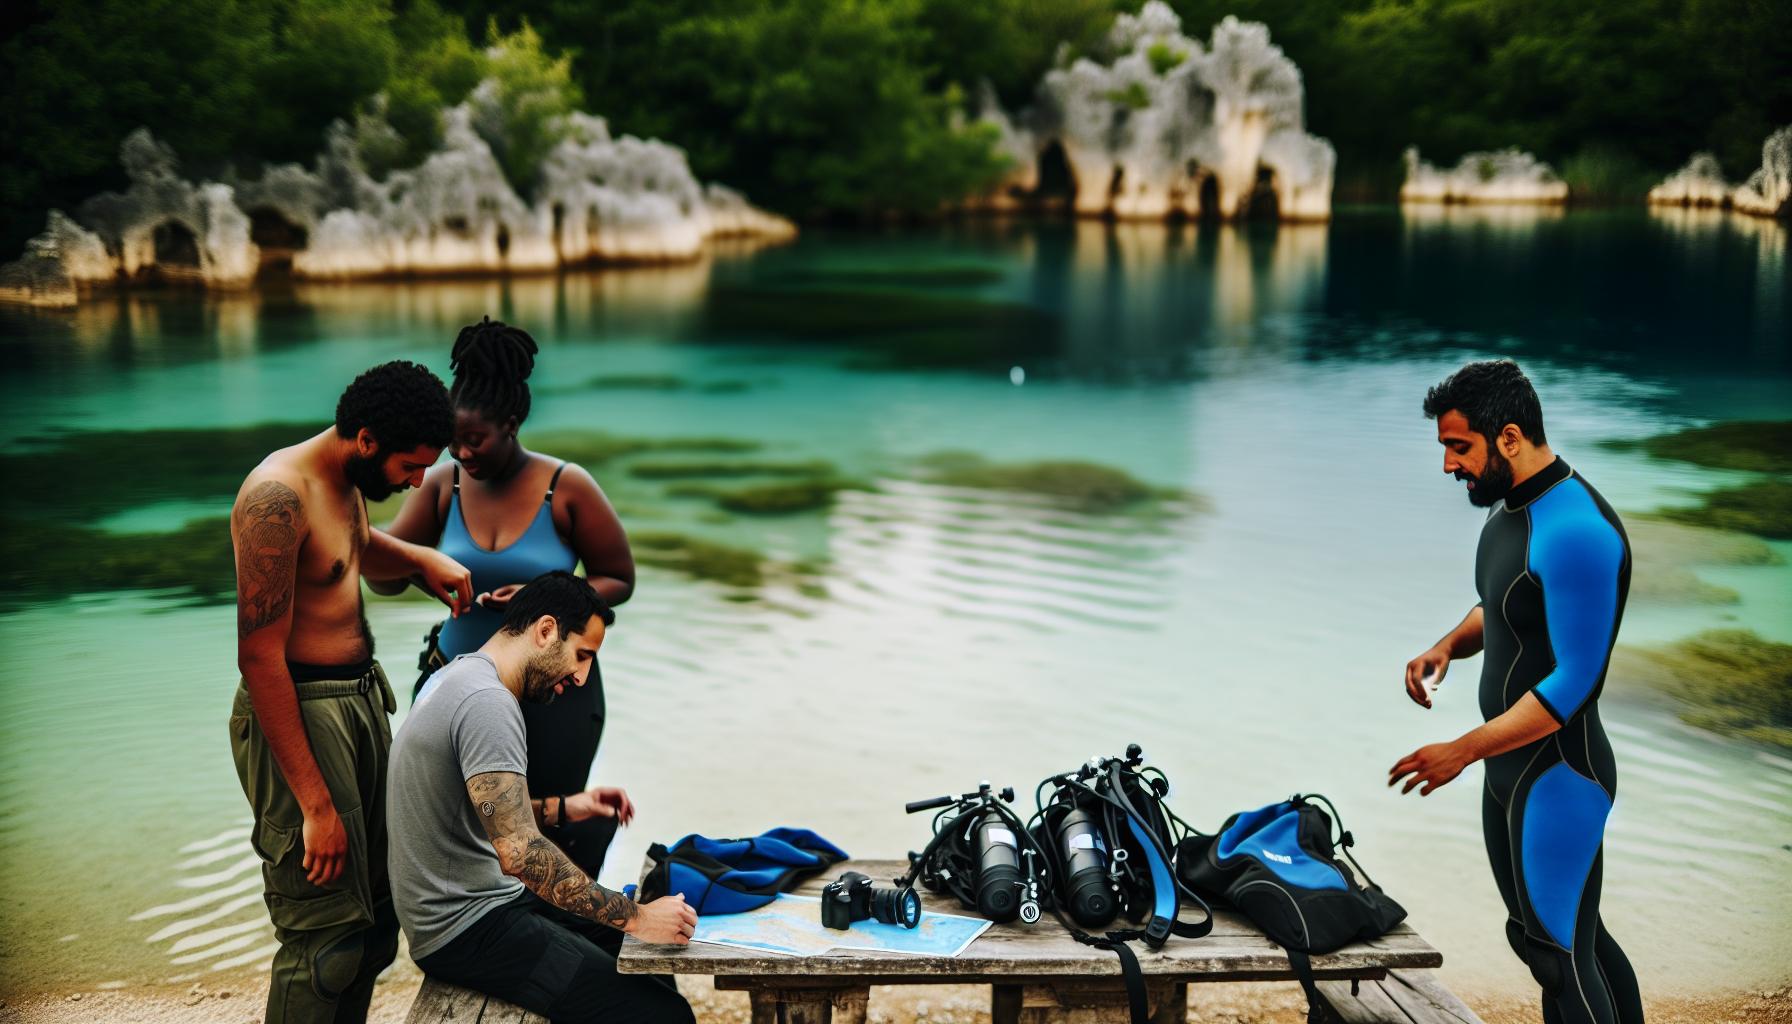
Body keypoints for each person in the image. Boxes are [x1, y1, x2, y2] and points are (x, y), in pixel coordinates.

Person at [1389, 360, 1644, 1024]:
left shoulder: (1578, 532)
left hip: (1560, 773)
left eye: (1458, 447)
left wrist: (1461, 750)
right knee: (1565, 941)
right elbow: (1503, 610)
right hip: (1510, 769)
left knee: (1558, 958)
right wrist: (1447, 644)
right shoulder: (1512, 513)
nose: (1448, 466)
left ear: (1508, 437)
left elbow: (1575, 682)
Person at [228, 361, 474, 1024]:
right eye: (410, 467)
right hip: (300, 717)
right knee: (324, 941)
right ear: (366, 441)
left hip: (364, 703)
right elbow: (258, 657)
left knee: (372, 932)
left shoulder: (348, 477)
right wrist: (314, 805)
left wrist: (419, 561)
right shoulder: (274, 499)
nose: (417, 482)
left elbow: (353, 548)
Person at [374, 316, 635, 877]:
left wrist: (547, 598)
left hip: (557, 694)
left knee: (548, 836)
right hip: (456, 688)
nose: (462, 454)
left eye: (475, 441)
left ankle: (556, 945)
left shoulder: (564, 486)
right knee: (456, 833)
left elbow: (619, 577)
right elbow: (381, 572)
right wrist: (429, 569)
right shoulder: (444, 484)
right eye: (453, 443)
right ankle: (470, 941)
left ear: (512, 424)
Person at [387, 570, 696, 1024]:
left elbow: (479, 809)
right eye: (582, 656)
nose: (581, 676)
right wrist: (637, 916)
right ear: (546, 630)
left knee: (646, 961)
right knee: (663, 1015)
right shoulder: (488, 703)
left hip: (484, 903)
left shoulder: (458, 676)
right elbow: (522, 855)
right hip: (464, 929)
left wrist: (569, 807)